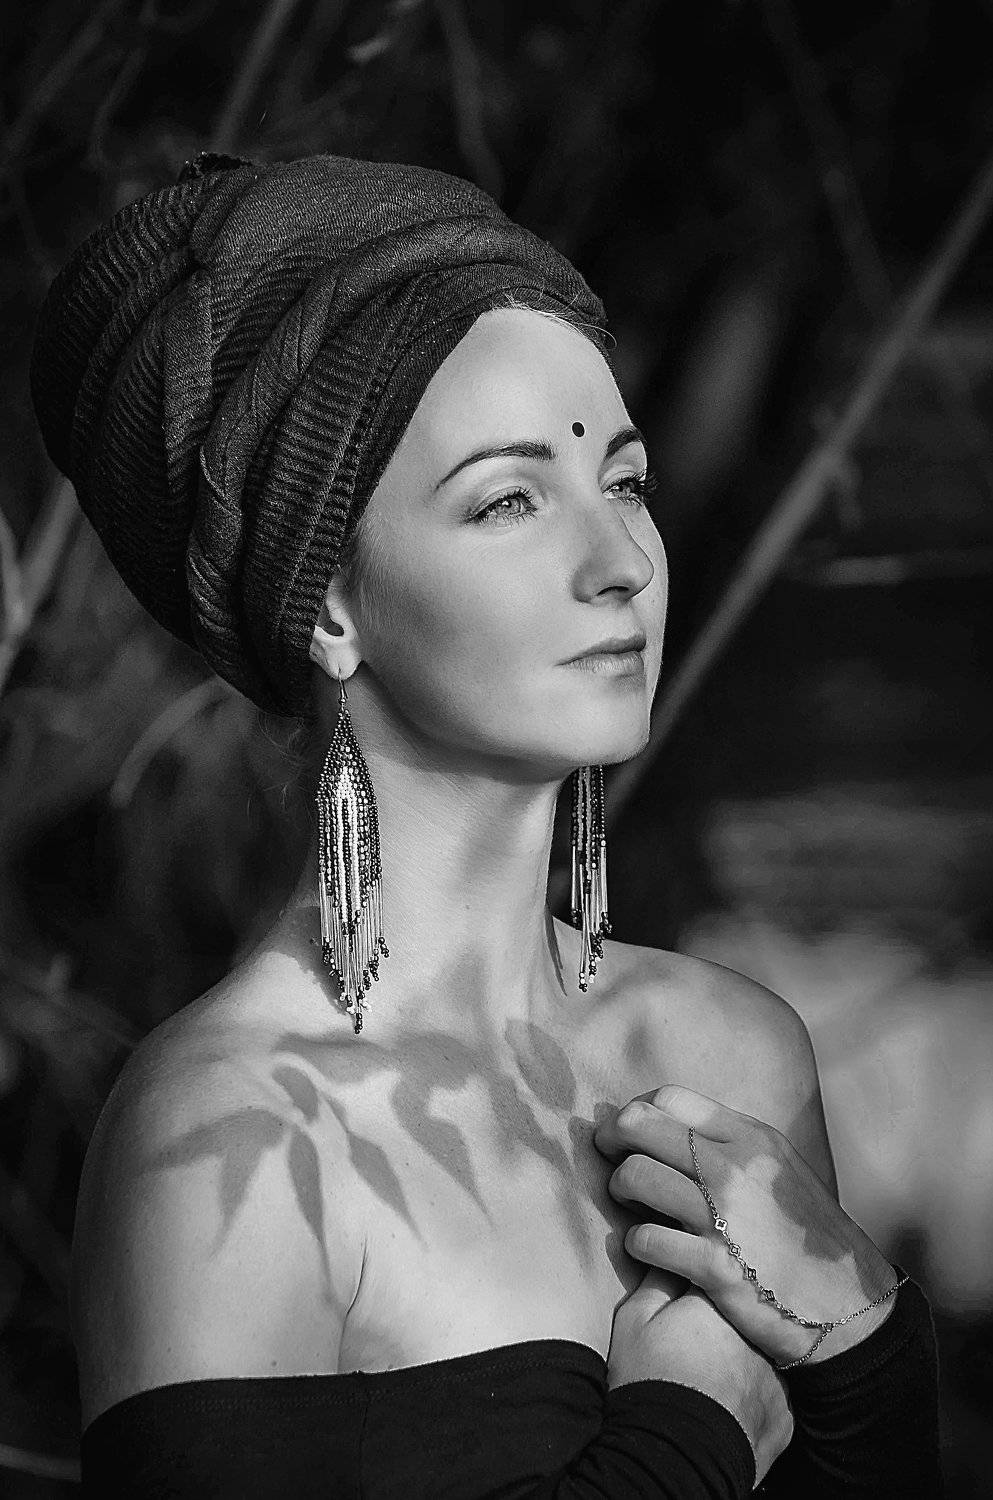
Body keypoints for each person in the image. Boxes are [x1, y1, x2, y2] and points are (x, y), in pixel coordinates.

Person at [30, 151, 941, 1498]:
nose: (619, 562)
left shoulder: (726, 1051)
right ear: (326, 606)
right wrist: (688, 1434)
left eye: (623, 481)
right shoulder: (226, 1141)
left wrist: (863, 1347)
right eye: (509, 500)